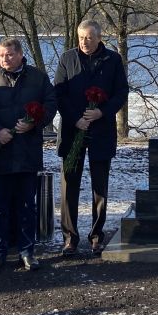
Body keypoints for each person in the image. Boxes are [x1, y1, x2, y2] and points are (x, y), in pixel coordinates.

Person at [0, 37, 56, 274]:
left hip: (27, 151)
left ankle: (27, 251)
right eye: (1, 55)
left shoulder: (37, 78)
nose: (5, 59)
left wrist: (35, 123)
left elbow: (50, 104)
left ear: (20, 55)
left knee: (26, 205)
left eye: (9, 55)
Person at [55, 20, 127, 257]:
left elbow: (120, 93)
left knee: (100, 188)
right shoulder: (67, 58)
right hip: (72, 130)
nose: (84, 42)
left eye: (89, 37)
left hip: (101, 130)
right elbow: (59, 93)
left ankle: (96, 236)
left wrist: (102, 112)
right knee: (69, 186)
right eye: (81, 37)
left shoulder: (113, 60)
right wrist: (75, 118)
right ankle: (70, 238)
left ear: (99, 37)